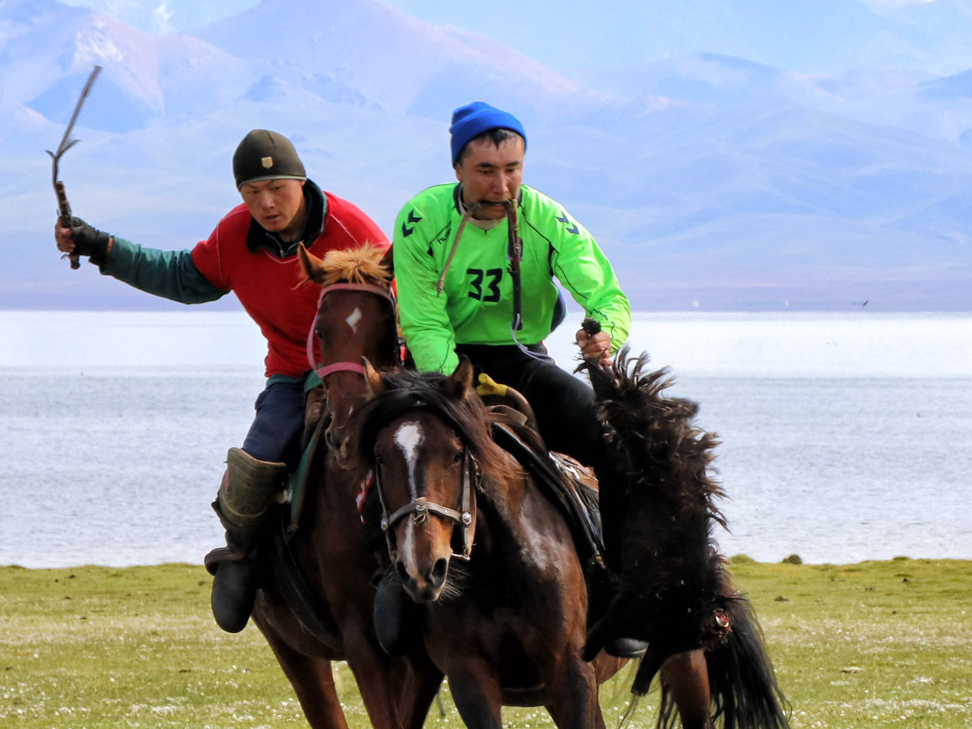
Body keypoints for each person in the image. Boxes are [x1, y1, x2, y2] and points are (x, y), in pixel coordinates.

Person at [54, 129, 390, 633]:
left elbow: (397, 307)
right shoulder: (235, 235)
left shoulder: (352, 229)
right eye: (252, 193)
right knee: (254, 467)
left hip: (363, 372)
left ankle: (408, 569)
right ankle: (242, 559)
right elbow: (185, 277)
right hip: (290, 374)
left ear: (301, 182)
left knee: (408, 459)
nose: (267, 203)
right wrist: (103, 248)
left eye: (278, 187)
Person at [389, 102, 629, 472]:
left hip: (522, 359)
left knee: (611, 435)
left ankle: (611, 530)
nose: (501, 187)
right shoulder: (420, 219)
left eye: (512, 170)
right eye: (485, 171)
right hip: (441, 368)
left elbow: (605, 295)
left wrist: (605, 333)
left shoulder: (546, 217)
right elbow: (425, 324)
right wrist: (458, 391)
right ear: (458, 169)